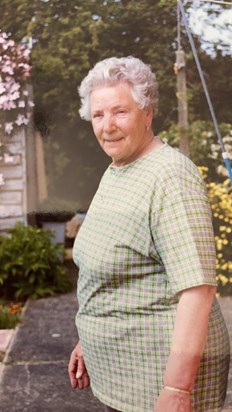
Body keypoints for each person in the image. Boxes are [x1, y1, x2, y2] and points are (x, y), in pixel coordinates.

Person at [68, 56, 230, 412]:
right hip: (124, 371)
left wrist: (176, 389)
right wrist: (89, 337)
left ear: (148, 113)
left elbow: (197, 290)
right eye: (98, 115)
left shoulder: (170, 175)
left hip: (162, 381)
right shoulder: (119, 169)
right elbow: (112, 273)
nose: (107, 126)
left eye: (120, 112)